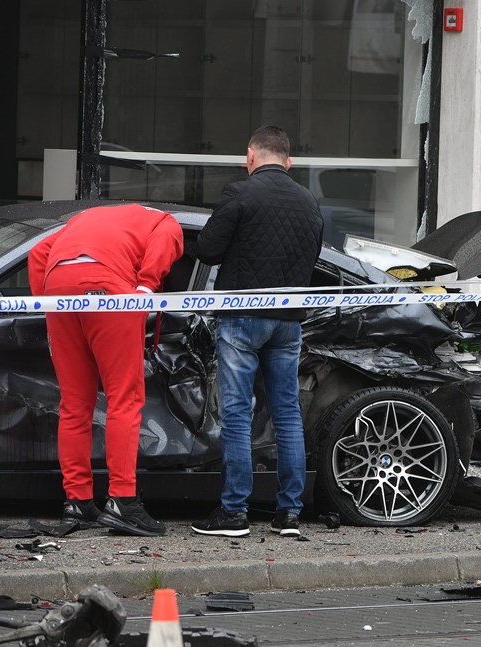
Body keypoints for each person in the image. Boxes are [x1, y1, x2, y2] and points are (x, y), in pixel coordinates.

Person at [190, 125, 323, 539]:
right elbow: (313, 259)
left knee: (236, 413)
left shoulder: (239, 194)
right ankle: (289, 514)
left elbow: (208, 250)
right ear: (289, 161)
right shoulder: (309, 203)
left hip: (243, 316)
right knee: (286, 414)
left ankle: (234, 512)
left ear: (250, 155)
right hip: (288, 322)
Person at [28, 204, 184, 537]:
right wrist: (144, 288)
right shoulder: (163, 220)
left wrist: (48, 304)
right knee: (124, 399)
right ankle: (123, 502)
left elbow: (40, 252)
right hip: (109, 288)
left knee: (73, 404)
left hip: (60, 287)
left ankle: (78, 502)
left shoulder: (84, 219)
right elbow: (167, 240)